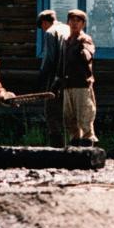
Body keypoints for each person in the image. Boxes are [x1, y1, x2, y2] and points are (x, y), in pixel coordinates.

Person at [60, 9, 98, 147]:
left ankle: (88, 150)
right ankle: (74, 148)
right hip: (68, 84)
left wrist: (83, 49)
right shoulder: (66, 40)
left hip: (81, 84)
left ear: (83, 24)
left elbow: (88, 55)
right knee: (69, 119)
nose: (75, 24)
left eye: (78, 21)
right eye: (72, 20)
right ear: (68, 22)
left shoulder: (85, 39)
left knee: (85, 118)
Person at [37, 9, 70, 148]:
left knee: (52, 113)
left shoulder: (51, 32)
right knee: (69, 113)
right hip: (72, 77)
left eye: (42, 27)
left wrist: (41, 78)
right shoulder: (68, 29)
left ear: (44, 23)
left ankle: (57, 148)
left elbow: (49, 59)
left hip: (56, 78)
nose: (43, 30)